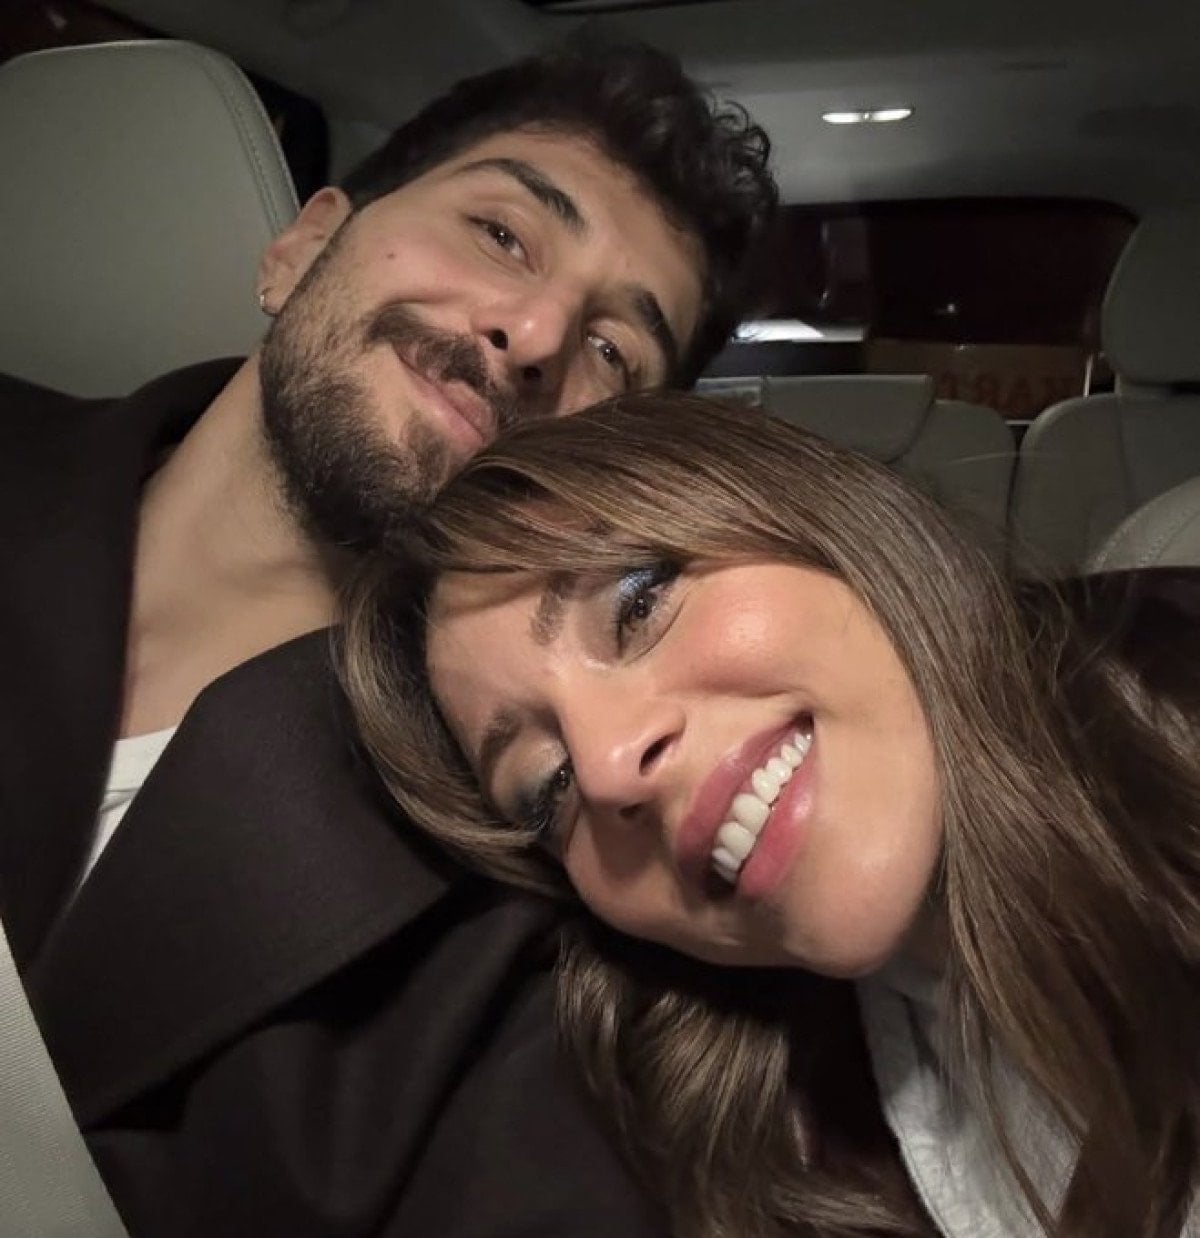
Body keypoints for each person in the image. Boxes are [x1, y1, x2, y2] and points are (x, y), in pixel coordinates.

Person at [0, 39, 778, 1237]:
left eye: (613, 352)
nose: (535, 332)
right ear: (302, 246)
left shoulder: (522, 912)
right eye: (503, 233)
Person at [342, 393, 1200, 1238]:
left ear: (826, 515)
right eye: (546, 785)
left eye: (637, 603)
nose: (606, 768)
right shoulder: (746, 1136)